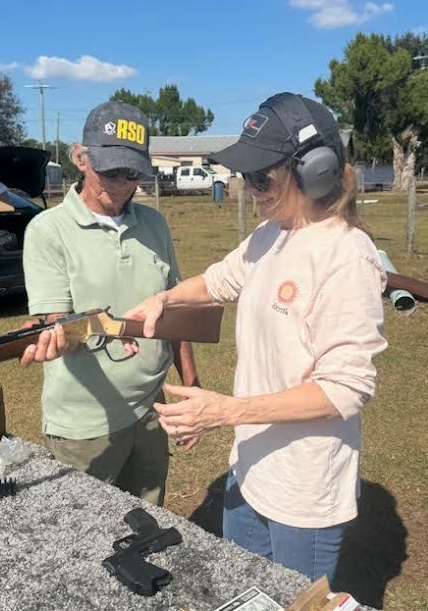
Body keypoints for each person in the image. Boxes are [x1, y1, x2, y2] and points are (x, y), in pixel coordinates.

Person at [123, 92, 388, 583]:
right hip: (249, 468)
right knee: (242, 592)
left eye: (261, 177)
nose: (249, 189)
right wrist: (165, 298)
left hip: (303, 491)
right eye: (244, 175)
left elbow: (345, 389)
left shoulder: (346, 257)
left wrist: (225, 411)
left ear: (316, 171)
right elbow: (218, 281)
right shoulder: (271, 234)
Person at [20, 101, 199, 506]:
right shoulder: (47, 231)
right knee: (85, 532)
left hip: (151, 409)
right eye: (111, 171)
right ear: (80, 158)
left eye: (131, 173)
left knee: (149, 521)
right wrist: (94, 332)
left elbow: (174, 313)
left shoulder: (154, 224)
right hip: (85, 423)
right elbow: (60, 323)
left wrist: (191, 386)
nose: (121, 184)